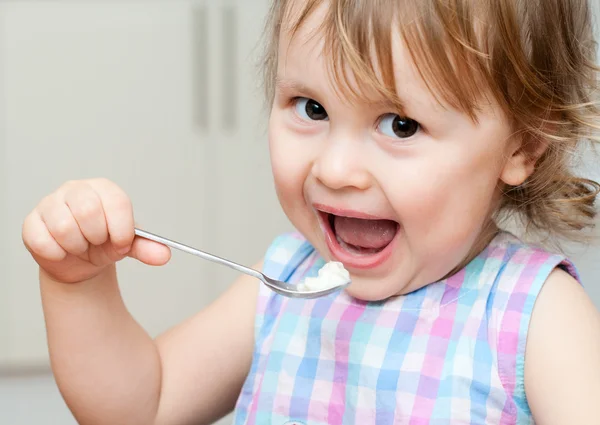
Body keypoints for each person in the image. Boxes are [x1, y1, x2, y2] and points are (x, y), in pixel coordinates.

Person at [22, 0, 600, 423]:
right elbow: (142, 407)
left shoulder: (534, 317)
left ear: (522, 145)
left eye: (400, 124)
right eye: (312, 107)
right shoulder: (285, 282)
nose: (334, 169)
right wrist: (80, 284)